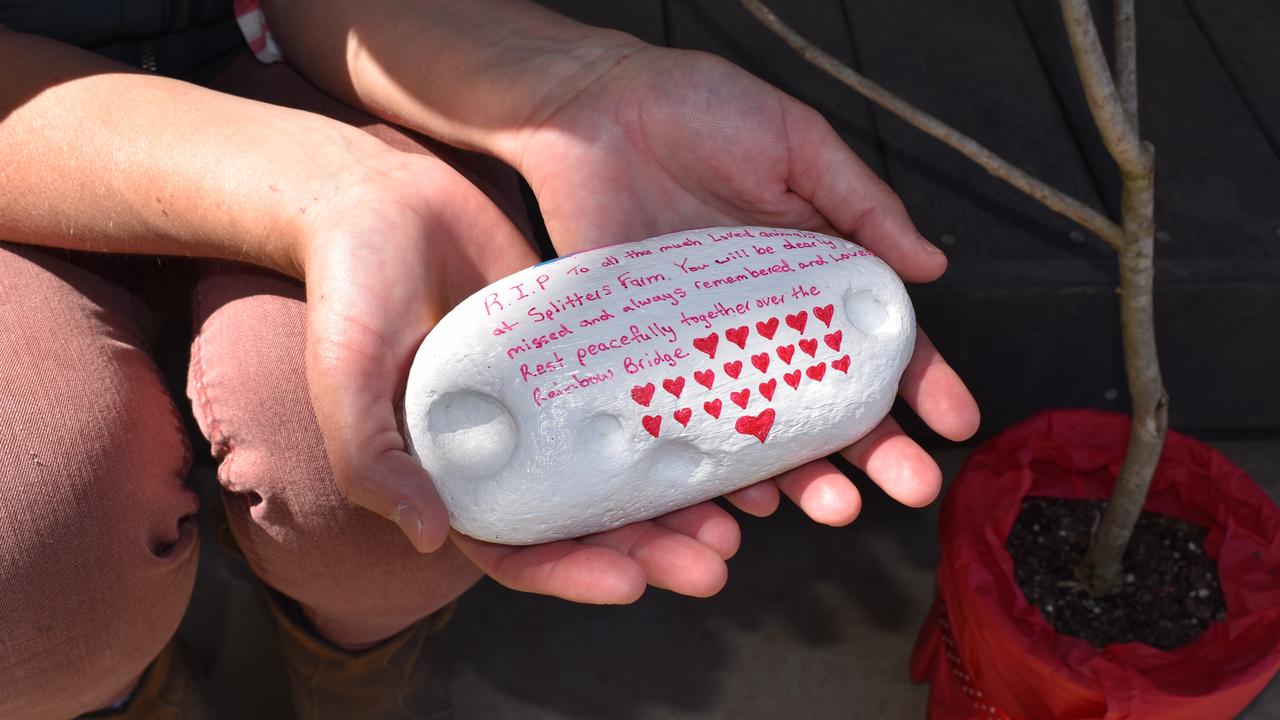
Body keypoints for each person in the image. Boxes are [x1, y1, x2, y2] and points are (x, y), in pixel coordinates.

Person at [0, 1, 980, 717]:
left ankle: (354, 682)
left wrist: (578, 85)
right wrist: (333, 191)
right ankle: (121, 703)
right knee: (31, 543)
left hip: (282, 38)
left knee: (371, 490)